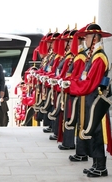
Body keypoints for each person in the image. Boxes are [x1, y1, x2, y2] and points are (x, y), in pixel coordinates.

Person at [62, 23, 112, 178]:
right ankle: (96, 164)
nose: (85, 39)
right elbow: (84, 78)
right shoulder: (93, 56)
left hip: (95, 99)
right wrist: (72, 83)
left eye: (88, 37)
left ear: (95, 38)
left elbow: (90, 82)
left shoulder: (99, 57)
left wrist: (71, 86)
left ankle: (101, 166)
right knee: (93, 132)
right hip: (89, 98)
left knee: (97, 132)